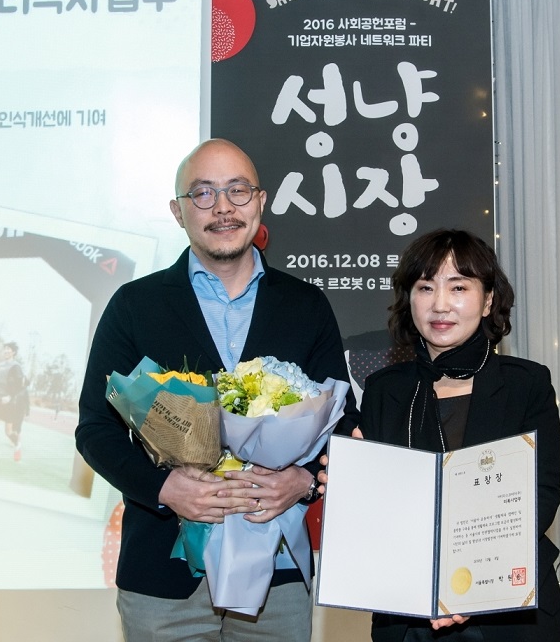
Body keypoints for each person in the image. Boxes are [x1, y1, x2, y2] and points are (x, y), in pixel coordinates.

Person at [76, 138, 358, 642]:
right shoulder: (135, 306)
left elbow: (343, 421)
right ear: (178, 211)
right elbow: (96, 429)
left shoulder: (306, 306)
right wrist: (164, 489)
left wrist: (304, 483)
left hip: (277, 574)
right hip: (163, 578)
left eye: (238, 190)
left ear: (260, 202)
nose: (223, 207)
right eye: (203, 193)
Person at [349, 228, 560, 641]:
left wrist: (470, 585)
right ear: (409, 299)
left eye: (458, 287)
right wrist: (349, 482)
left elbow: (539, 497)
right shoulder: (383, 389)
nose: (440, 304)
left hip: (509, 612)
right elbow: (376, 514)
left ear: (487, 300)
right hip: (407, 614)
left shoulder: (526, 384)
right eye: (425, 287)